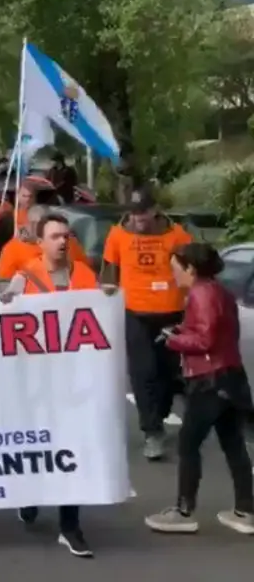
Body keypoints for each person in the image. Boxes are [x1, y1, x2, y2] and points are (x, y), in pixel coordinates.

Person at [0, 213, 105, 557]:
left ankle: (70, 526)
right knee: (36, 442)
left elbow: (98, 318)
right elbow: (5, 323)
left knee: (72, 446)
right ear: (40, 242)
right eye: (56, 236)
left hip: (74, 381)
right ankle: (30, 497)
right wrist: (6, 301)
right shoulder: (25, 275)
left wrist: (109, 297)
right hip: (34, 381)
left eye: (66, 235)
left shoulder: (85, 274)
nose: (63, 241)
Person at [144, 243, 254, 535]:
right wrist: (181, 329)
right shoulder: (220, 291)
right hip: (232, 377)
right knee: (233, 445)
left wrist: (173, 340)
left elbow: (204, 340)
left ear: (190, 269)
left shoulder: (200, 293)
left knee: (188, 443)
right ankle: (246, 511)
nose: (173, 276)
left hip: (209, 380)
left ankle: (183, 511)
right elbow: (216, 332)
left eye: (176, 269)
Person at [102, 187, 193, 460]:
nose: (139, 217)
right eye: (134, 212)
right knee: (144, 373)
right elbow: (108, 274)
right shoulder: (118, 235)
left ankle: (161, 413)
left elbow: (192, 270)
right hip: (136, 314)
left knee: (168, 374)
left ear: (155, 210)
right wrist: (106, 294)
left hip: (172, 313)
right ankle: (152, 432)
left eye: (144, 211)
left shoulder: (176, 235)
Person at [0, 205, 88, 292]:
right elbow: (2, 281)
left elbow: (85, 273)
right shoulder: (13, 247)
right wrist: (20, 292)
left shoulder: (69, 243)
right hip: (33, 304)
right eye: (33, 223)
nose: (37, 226)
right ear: (27, 224)